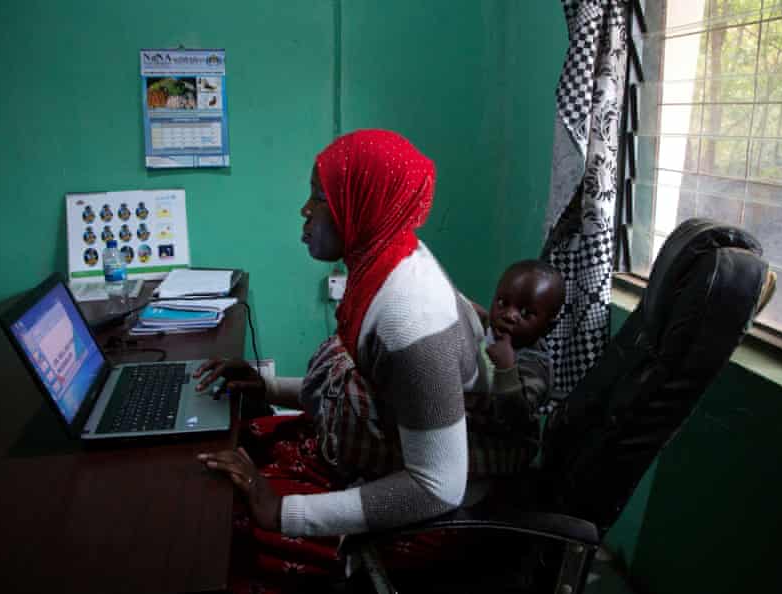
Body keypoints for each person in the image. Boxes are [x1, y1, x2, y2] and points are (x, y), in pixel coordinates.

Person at [193, 130, 498, 589]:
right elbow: (385, 392)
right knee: (240, 453)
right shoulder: (384, 263)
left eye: (319, 197)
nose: (306, 211)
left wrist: (279, 511)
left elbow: (437, 486)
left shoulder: (410, 318)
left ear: (363, 202)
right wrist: (269, 387)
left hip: (438, 515)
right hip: (396, 459)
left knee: (219, 539)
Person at [463, 260, 565, 438]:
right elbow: (470, 311)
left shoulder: (535, 365)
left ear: (548, 328)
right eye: (502, 302)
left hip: (504, 446)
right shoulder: (489, 327)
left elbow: (516, 416)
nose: (509, 315)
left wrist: (506, 369)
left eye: (525, 313)